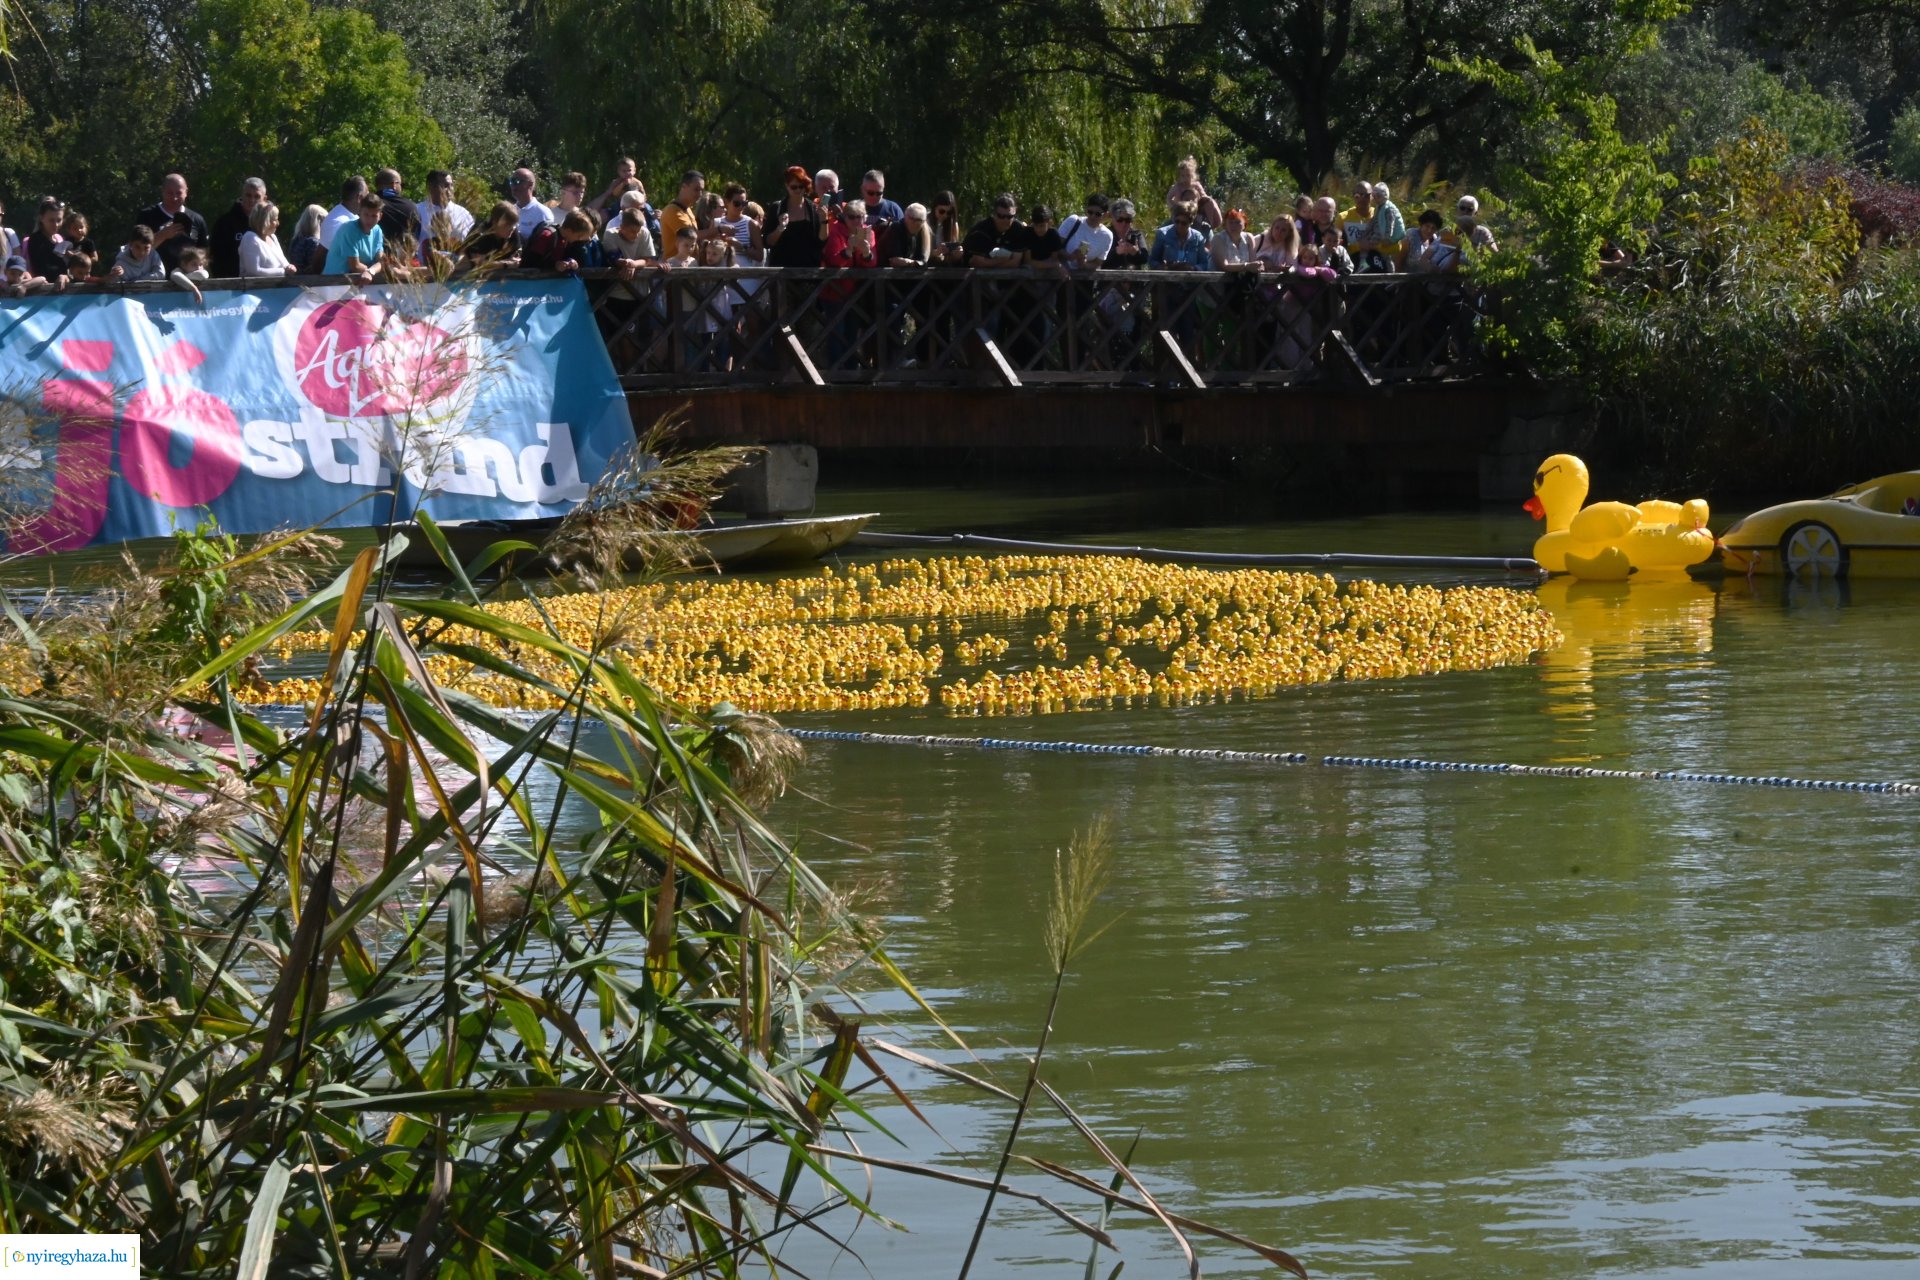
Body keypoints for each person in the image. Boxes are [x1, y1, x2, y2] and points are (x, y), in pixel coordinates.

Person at [138, 174, 209, 274]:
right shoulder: (147, 216)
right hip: (154, 277)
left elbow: (204, 255)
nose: (174, 198)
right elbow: (136, 251)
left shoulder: (197, 220)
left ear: (186, 192)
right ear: (162, 192)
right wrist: (162, 235)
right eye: (170, 193)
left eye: (178, 193)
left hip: (189, 279)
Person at [209, 177, 266, 277]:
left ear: (264, 199)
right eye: (248, 195)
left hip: (266, 282)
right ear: (241, 195)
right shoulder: (225, 223)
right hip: (232, 282)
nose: (252, 200)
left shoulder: (268, 224)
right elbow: (215, 257)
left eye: (257, 196)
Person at [324, 193, 386, 284]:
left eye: (374, 216)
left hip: (358, 282)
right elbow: (355, 266)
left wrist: (371, 271)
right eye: (366, 214)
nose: (369, 220)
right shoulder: (349, 229)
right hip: (332, 283)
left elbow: (381, 261)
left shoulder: (377, 230)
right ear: (359, 212)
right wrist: (372, 271)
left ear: (380, 216)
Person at [417, 170, 473, 266]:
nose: (450, 189)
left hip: (458, 270)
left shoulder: (463, 214)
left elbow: (471, 245)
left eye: (452, 185)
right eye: (446, 185)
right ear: (431, 187)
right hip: (425, 270)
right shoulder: (417, 211)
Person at [455, 201, 523, 274]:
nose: (512, 228)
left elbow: (516, 260)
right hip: (469, 274)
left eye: (513, 224)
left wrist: (499, 264)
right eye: (508, 224)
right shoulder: (480, 233)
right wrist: (505, 264)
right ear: (495, 222)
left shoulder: (512, 231)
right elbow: (479, 264)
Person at [963, 194, 1030, 267]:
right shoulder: (981, 231)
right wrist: (1002, 260)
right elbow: (977, 263)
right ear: (994, 214)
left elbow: (1015, 262)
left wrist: (990, 263)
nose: (1006, 220)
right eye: (1001, 216)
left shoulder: (1018, 229)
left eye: (1010, 216)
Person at [522, 210, 596, 273]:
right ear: (569, 231)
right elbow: (531, 262)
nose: (580, 239)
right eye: (579, 236)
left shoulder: (567, 239)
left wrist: (572, 263)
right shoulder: (546, 236)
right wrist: (554, 265)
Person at [374, 169, 421, 264]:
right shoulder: (411, 207)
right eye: (401, 184)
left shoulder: (369, 206)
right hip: (405, 263)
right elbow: (416, 236)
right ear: (394, 185)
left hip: (374, 263)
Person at [1058, 194, 1114, 272]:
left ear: (1105, 215)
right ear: (1086, 209)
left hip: (1083, 276)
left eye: (1097, 214)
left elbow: (1097, 263)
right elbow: (1055, 246)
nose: (1093, 216)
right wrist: (1069, 256)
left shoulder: (1107, 236)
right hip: (1060, 271)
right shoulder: (1073, 221)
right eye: (1090, 212)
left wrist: (1083, 264)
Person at [603, 189, 658, 265]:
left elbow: (648, 259)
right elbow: (613, 258)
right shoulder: (612, 225)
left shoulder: (643, 224)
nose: (638, 213)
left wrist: (634, 264)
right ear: (623, 208)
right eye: (635, 209)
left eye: (642, 209)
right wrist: (628, 264)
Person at [240, 201, 295, 277]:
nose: (278, 223)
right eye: (275, 219)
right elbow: (253, 271)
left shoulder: (273, 237)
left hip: (280, 284)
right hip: (256, 285)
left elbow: (284, 264)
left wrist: (290, 267)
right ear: (265, 221)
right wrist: (283, 271)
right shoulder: (250, 238)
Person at [1166, 156, 1223, 230]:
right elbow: (1169, 197)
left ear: (1193, 175)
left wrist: (1205, 199)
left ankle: (1210, 224)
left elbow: (1203, 195)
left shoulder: (1196, 185)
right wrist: (1173, 206)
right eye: (1183, 176)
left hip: (1195, 210)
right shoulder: (1177, 187)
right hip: (1181, 210)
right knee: (1173, 219)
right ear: (1179, 176)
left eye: (1188, 175)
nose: (1185, 178)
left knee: (1209, 202)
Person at [658, 171, 707, 253]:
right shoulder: (672, 211)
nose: (700, 194)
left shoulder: (687, 209)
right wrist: (718, 230)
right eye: (696, 189)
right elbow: (691, 236)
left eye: (701, 190)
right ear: (683, 187)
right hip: (675, 261)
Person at [1149, 202, 1207, 269]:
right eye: (1177, 221)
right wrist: (1162, 267)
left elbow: (1204, 264)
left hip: (1190, 275)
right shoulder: (1162, 234)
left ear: (1191, 222)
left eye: (1184, 223)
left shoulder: (1197, 238)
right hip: (1167, 274)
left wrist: (1193, 268)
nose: (1180, 225)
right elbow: (1152, 260)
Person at [25, 198, 69, 286]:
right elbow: (42, 270)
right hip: (45, 290)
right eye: (51, 220)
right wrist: (63, 275)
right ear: (41, 218)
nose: (56, 224)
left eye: (59, 220)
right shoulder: (36, 240)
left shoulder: (60, 240)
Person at [1401, 208, 1458, 273]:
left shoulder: (1434, 239)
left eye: (1433, 228)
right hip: (1405, 277)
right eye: (1427, 226)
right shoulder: (1411, 235)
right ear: (1421, 224)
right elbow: (1398, 260)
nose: (1429, 230)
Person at [319, 176, 368, 249]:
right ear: (359, 198)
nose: (368, 201)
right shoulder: (339, 223)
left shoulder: (349, 217)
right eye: (367, 196)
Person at [510, 168, 555, 240]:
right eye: (511, 181)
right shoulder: (509, 211)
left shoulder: (543, 213)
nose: (513, 186)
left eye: (517, 181)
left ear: (530, 184)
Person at [883, 202, 932, 266]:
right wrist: (914, 263)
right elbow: (895, 260)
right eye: (912, 219)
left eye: (918, 220)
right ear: (905, 216)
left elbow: (923, 260)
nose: (915, 223)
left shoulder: (923, 232)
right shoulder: (896, 228)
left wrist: (913, 263)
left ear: (924, 221)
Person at [288, 205, 328, 273]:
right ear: (319, 220)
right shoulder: (313, 242)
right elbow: (317, 268)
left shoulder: (296, 240)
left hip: (295, 278)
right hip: (309, 279)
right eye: (325, 220)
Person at [1105, 199, 1146, 265]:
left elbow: (1145, 258)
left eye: (1128, 220)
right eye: (1120, 220)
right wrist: (1116, 252)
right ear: (1113, 219)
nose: (1124, 223)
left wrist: (1136, 253)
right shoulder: (1105, 234)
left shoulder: (1137, 234)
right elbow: (1098, 260)